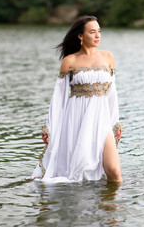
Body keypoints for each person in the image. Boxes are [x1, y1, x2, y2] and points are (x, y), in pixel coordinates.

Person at [31, 15, 123, 183]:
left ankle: (112, 208)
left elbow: (112, 94)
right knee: (77, 173)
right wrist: (49, 127)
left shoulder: (108, 57)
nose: (97, 36)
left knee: (115, 172)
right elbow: (58, 99)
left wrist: (115, 123)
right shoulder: (70, 61)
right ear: (80, 36)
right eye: (92, 32)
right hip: (76, 120)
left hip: (101, 120)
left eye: (99, 31)